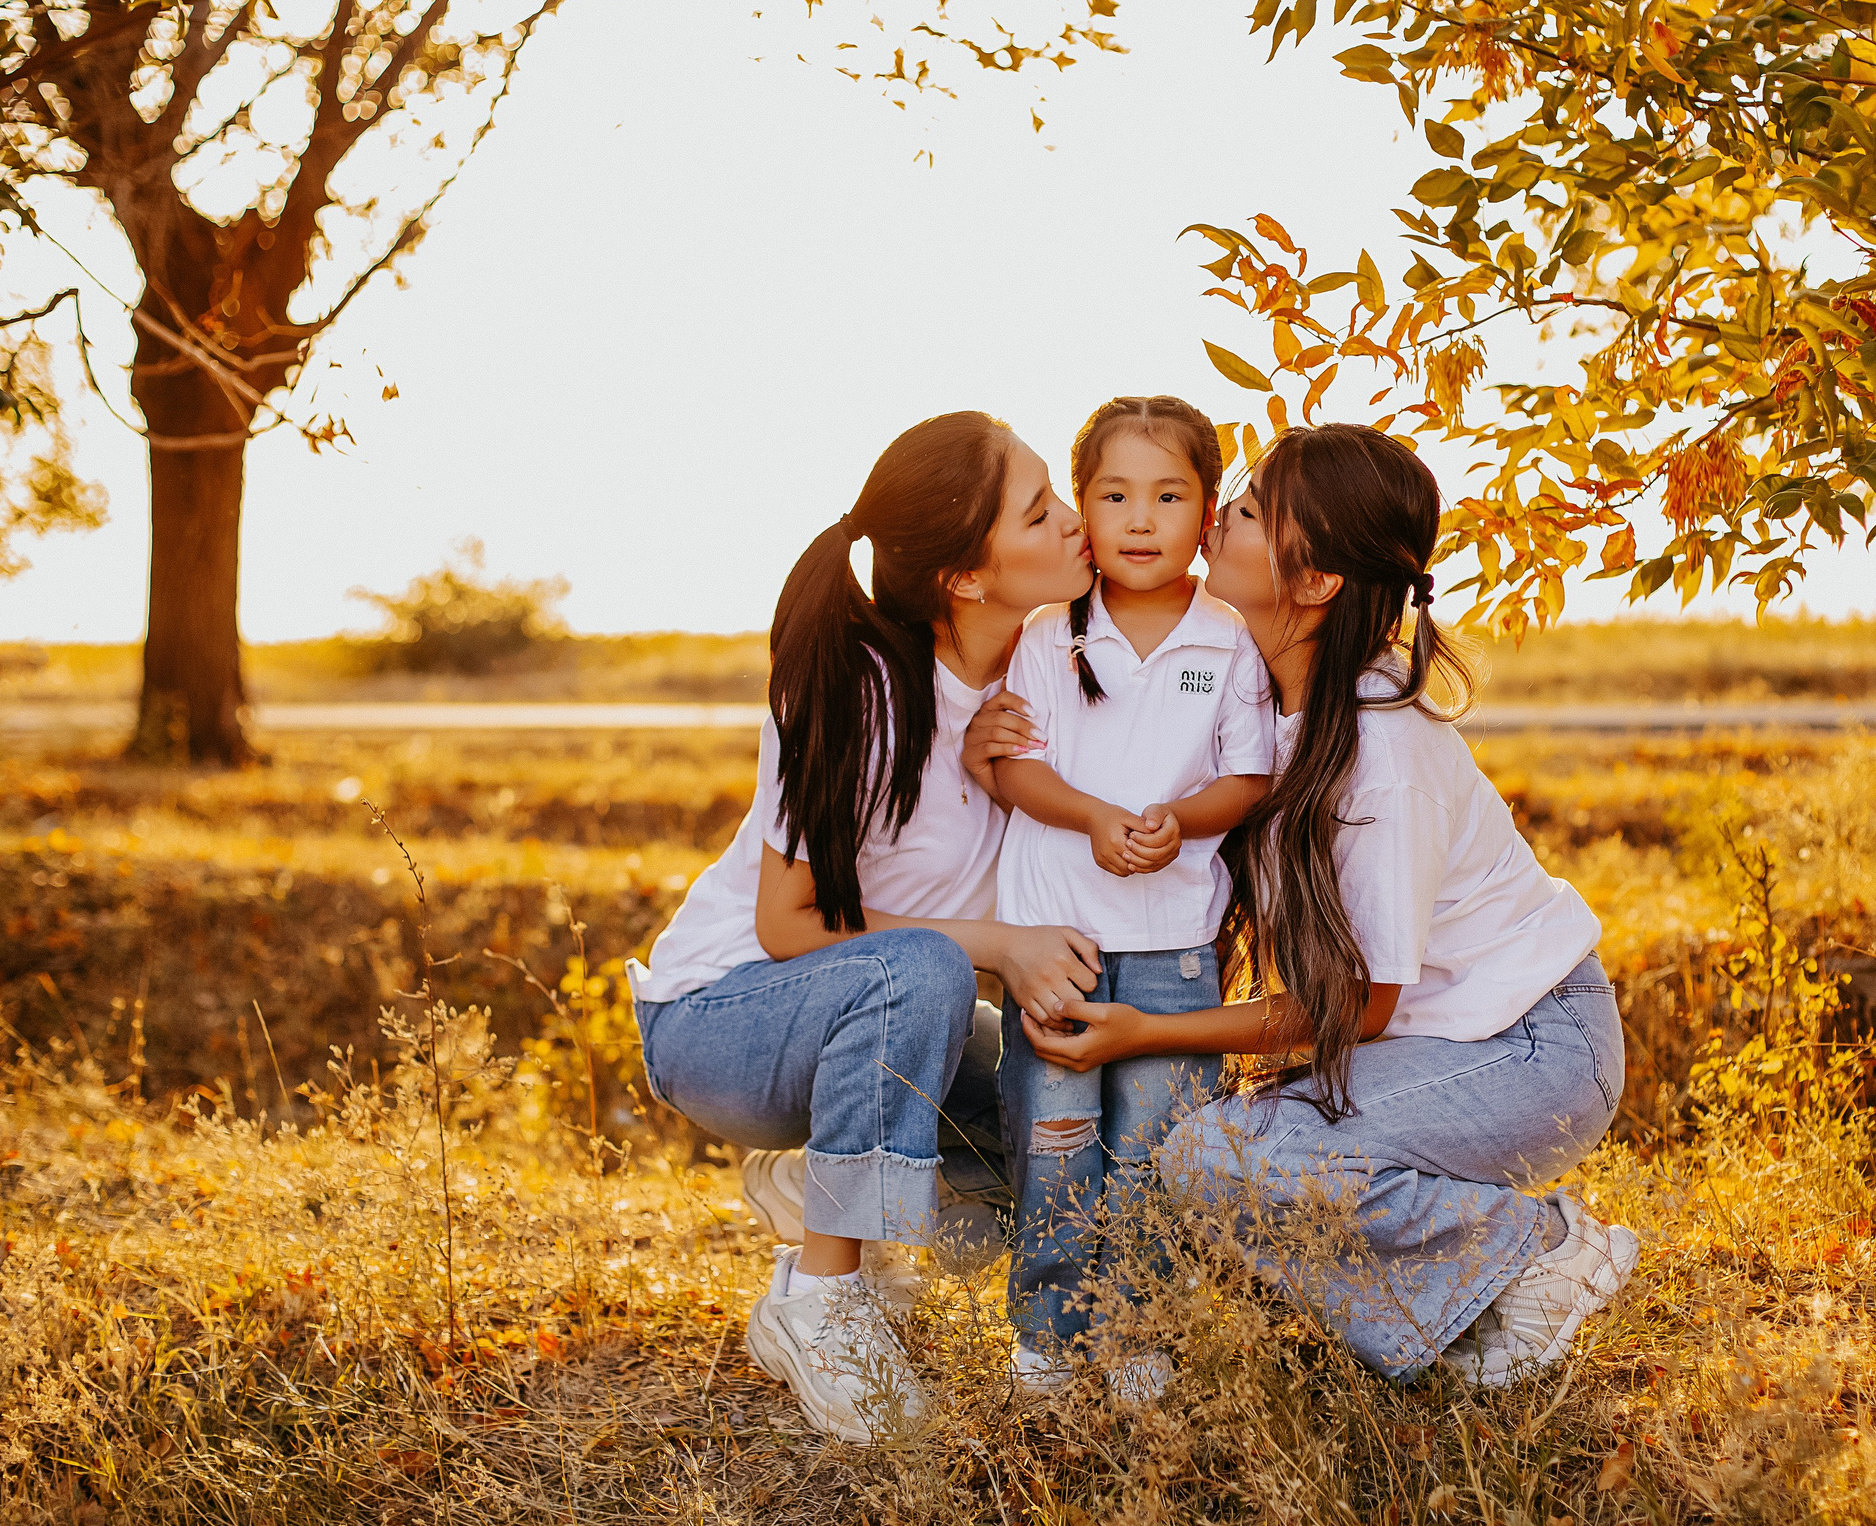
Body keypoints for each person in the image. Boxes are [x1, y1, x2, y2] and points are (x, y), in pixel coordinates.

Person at [1019, 424, 1640, 1384]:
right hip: (1435, 1046)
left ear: (1313, 585)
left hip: (1531, 1049)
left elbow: (1362, 1005)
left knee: (1224, 1161)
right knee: (1210, 1158)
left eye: (1254, 508)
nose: (1222, 512)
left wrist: (1141, 1032)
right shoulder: (1263, 695)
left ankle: (1540, 1248)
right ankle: (1468, 1305)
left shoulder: (1380, 752)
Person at [626, 411, 1104, 1444]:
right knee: (925, 970)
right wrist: (997, 945)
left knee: (1068, 1143)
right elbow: (788, 923)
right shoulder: (858, 684)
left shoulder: (1043, 674)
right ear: (966, 579)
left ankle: (820, 1190)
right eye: (1038, 511)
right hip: (723, 1024)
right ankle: (823, 1306)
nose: (1074, 522)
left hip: (886, 1016)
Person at [959, 395, 1275, 1395]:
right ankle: (1048, 1337)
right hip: (1056, 940)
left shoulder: (1229, 642)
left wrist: (1180, 820)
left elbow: (1250, 776)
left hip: (1176, 945)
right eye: (1113, 495)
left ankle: (1143, 1332)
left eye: (1168, 495)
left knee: (1154, 1150)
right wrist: (1095, 817)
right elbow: (1013, 771)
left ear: (1208, 510)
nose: (1140, 520)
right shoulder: (1050, 636)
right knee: (1054, 1147)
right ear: (1083, 511)